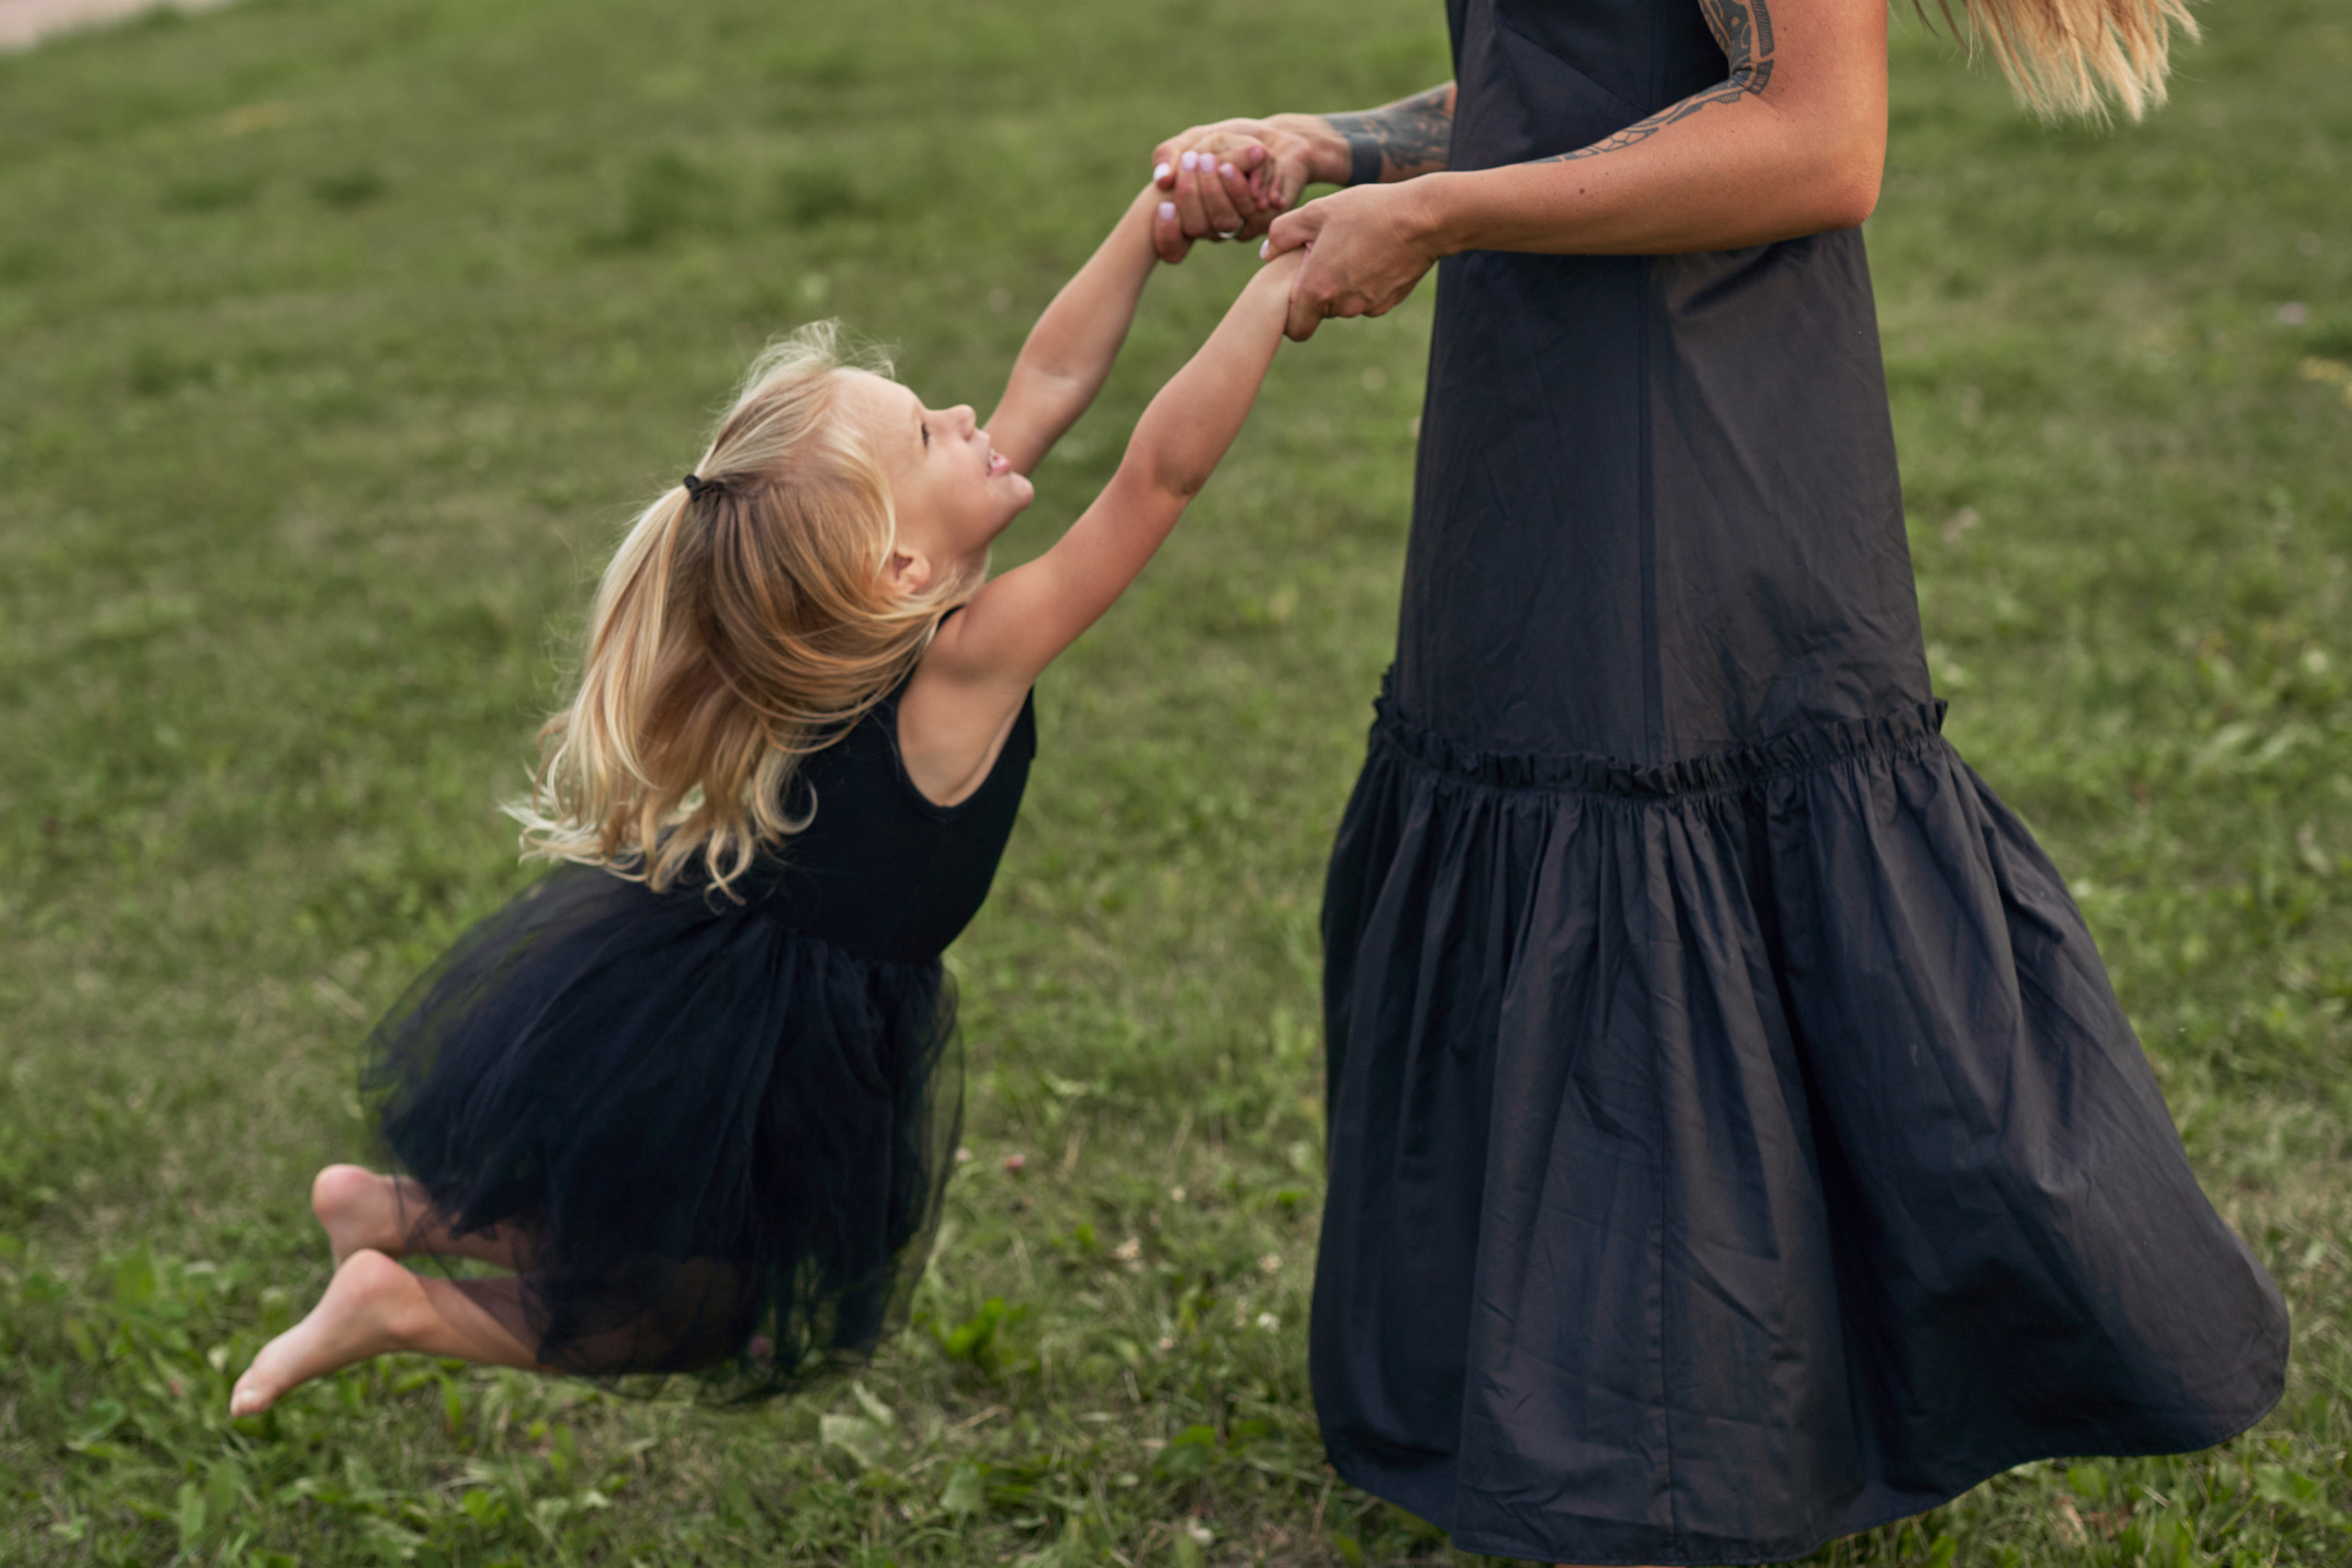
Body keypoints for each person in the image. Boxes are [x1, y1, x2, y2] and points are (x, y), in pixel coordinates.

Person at [1146, 0, 2288, 1562]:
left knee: (1664, 817)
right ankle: (1574, 1404)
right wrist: (1347, 148)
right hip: (1546, 379)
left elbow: (1817, 140)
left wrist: (1440, 211)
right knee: (1538, 790)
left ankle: (1724, 1428)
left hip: (1701, 402)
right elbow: (1592, 70)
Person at [229, 186, 1306, 1417]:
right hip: (773, 1036)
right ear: (896, 564)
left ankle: (400, 1211)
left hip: (691, 978)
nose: (968, 416)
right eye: (929, 436)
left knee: (649, 1235)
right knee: (692, 1314)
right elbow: (1157, 482)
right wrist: (1277, 290)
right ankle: (397, 1302)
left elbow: (1054, 374)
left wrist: (1147, 227)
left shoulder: (864, 622)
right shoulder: (967, 656)